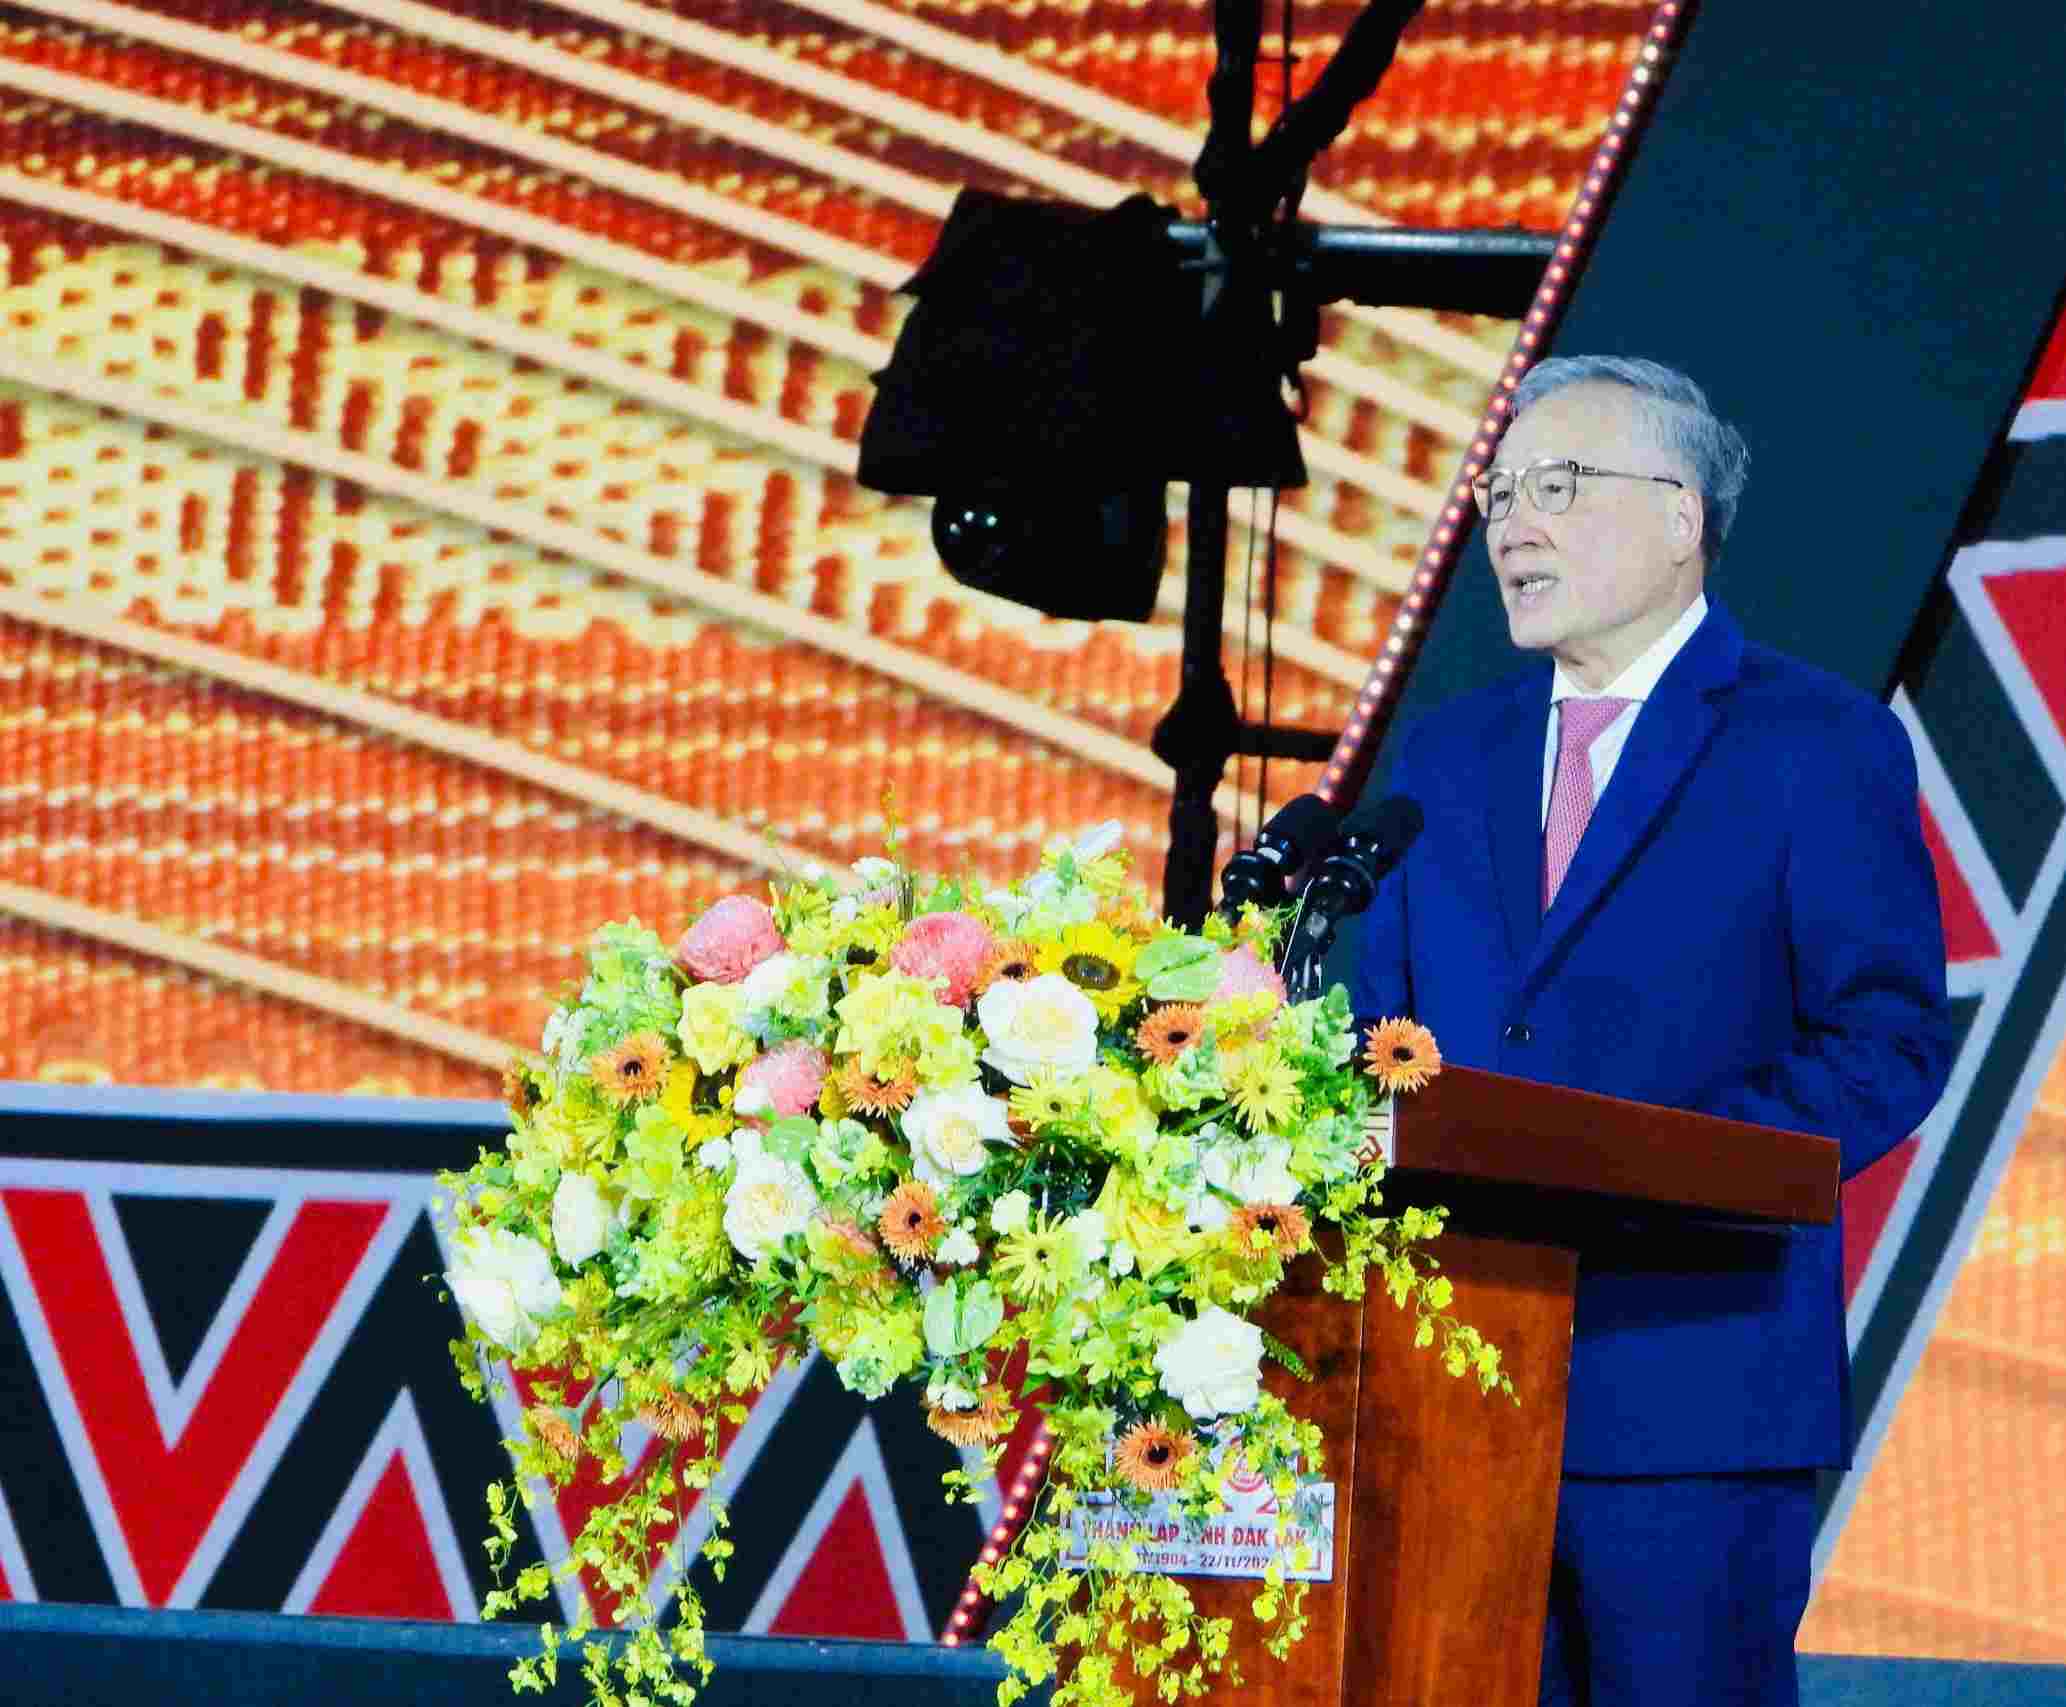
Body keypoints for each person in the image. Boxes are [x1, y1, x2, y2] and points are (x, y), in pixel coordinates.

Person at [1346, 355, 1955, 1706]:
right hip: (1444, 1380)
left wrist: (1639, 1163)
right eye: (1499, 495)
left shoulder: (1813, 741)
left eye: (1555, 487)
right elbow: (1374, 1031)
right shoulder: (1444, 755)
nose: (1511, 525)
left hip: (1690, 1386)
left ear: (1678, 516)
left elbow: (1884, 1040)